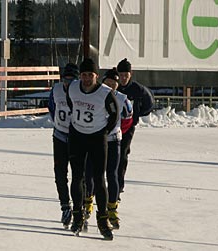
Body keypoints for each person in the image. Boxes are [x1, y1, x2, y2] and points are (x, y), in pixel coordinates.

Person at [65, 58, 118, 240]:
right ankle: (78, 216)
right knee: (77, 176)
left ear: (97, 76)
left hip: (97, 138)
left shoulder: (105, 93)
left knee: (98, 178)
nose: (87, 79)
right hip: (78, 136)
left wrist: (103, 131)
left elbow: (114, 114)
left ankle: (103, 220)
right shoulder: (72, 87)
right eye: (84, 75)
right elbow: (71, 103)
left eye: (91, 75)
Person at [84, 67, 133, 230]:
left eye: (114, 84)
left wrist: (115, 131)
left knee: (112, 174)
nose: (111, 86)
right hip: (95, 139)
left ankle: (112, 208)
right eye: (108, 83)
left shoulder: (122, 99)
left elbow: (127, 119)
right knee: (90, 173)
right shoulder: (95, 93)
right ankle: (88, 203)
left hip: (113, 140)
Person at [116, 58, 155, 196]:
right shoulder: (114, 86)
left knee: (122, 155)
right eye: (121, 75)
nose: (123, 78)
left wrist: (137, 114)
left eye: (126, 75)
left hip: (128, 128)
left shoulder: (137, 89)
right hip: (113, 127)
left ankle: (118, 186)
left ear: (130, 74)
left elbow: (149, 103)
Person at [47, 62, 79, 229]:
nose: (68, 83)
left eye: (72, 80)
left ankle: (79, 208)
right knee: (60, 173)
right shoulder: (57, 89)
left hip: (78, 138)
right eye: (65, 79)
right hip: (60, 135)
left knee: (78, 175)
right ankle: (65, 206)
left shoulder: (82, 91)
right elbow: (51, 107)